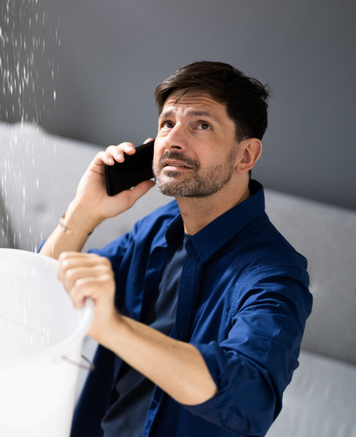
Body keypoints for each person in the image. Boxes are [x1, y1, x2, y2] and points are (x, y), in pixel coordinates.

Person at [40, 61, 312, 436]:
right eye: (167, 124)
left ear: (245, 156)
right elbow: (42, 291)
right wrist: (84, 212)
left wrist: (114, 328)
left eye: (202, 125)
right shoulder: (157, 228)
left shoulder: (275, 273)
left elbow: (250, 397)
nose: (173, 139)